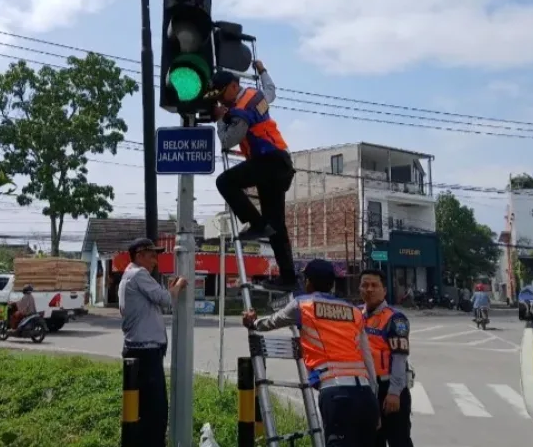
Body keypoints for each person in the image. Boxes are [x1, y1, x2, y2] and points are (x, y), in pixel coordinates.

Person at [241, 259, 379, 446]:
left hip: (336, 393)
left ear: (310, 282)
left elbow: (272, 321)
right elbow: (367, 359)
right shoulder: (354, 311)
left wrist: (252, 321)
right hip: (365, 395)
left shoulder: (303, 305)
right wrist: (375, 402)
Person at [207, 60, 297, 291]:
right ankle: (289, 278)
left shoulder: (242, 110)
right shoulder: (256, 95)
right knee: (276, 226)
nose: (220, 100)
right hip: (280, 163)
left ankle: (256, 223)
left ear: (234, 86)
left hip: (269, 162)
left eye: (221, 94)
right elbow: (271, 91)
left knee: (225, 181)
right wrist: (263, 70)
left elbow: (229, 140)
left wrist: (219, 118)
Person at [118, 238, 188, 447]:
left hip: (137, 350)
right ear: (139, 256)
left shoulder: (127, 276)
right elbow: (166, 300)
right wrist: (180, 285)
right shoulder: (139, 274)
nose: (155, 262)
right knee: (155, 411)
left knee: (139, 408)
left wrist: (168, 290)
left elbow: (154, 303)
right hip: (146, 352)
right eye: (151, 256)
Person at [359, 269, 414, 447]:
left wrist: (394, 392)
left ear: (384, 290)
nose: (369, 289)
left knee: (399, 440)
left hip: (389, 388)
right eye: (365, 285)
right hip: (367, 389)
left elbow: (399, 358)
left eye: (374, 285)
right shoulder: (356, 317)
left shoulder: (395, 319)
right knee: (373, 440)